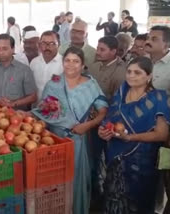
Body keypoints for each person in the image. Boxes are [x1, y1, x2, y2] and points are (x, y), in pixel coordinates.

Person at [31, 46, 108, 214]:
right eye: (67, 60)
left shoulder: (90, 85)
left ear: (82, 65)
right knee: (55, 183)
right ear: (62, 62)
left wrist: (87, 125)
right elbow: (43, 110)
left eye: (76, 61)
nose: (71, 65)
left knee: (75, 181)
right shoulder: (54, 84)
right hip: (54, 141)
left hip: (78, 141)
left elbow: (103, 111)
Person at [98, 56, 170, 214]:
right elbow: (109, 119)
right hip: (115, 157)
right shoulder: (121, 92)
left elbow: (161, 134)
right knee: (113, 198)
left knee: (138, 203)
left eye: (137, 73)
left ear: (149, 76)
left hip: (142, 162)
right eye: (129, 72)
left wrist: (129, 137)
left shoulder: (158, 98)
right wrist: (103, 131)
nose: (131, 76)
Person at [145, 25, 170, 214]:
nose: (148, 41)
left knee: (163, 171)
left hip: (165, 130)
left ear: (167, 44)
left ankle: (158, 208)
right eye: (148, 37)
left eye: (154, 39)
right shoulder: (145, 62)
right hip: (143, 126)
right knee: (147, 169)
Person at [0, 34, 37, 110]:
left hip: (18, 116)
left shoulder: (24, 70)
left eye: (5, 49)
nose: (1, 52)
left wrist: (12, 104)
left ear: (13, 49)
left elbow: (33, 97)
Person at [89, 36, 126, 101]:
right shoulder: (95, 65)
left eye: (102, 50)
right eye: (97, 49)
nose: (97, 52)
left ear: (113, 52)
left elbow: (118, 100)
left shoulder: (120, 72)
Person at [30, 31, 62, 101]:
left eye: (52, 43)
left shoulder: (64, 64)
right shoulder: (34, 62)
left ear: (59, 44)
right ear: (39, 45)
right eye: (44, 43)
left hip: (57, 109)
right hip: (35, 108)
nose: (47, 47)